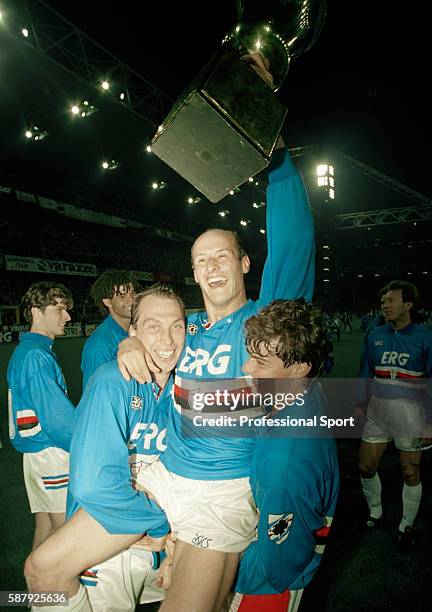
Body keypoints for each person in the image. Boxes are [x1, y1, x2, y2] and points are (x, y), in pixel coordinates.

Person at [118, 51, 315, 612]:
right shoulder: (187, 330)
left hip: (220, 493)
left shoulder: (266, 323)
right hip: (161, 477)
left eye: (222, 255)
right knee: (60, 571)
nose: (211, 268)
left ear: (245, 263)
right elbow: (138, 364)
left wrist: (270, 145)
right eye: (200, 260)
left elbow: (297, 240)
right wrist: (132, 342)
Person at [24, 284, 186, 612]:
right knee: (43, 571)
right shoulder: (112, 381)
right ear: (133, 331)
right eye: (154, 326)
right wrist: (158, 522)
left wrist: (175, 537)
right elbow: (94, 484)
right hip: (113, 544)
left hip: (155, 543)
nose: (168, 340)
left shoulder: (185, 383)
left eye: (177, 327)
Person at [229, 299, 339, 612]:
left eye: (260, 362)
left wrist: (218, 569)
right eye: (250, 355)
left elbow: (275, 566)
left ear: (298, 368)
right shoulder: (301, 392)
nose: (246, 368)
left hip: (268, 586)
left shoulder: (285, 465)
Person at [357, 280, 432, 554]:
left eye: (391, 300)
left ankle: (406, 523)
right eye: (383, 301)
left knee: (410, 470)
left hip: (412, 412)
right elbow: (365, 370)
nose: (385, 305)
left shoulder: (426, 339)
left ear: (408, 304)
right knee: (366, 466)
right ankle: (375, 512)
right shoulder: (375, 334)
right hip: (378, 408)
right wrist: (359, 402)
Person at [7, 281, 76, 549]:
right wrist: (88, 447)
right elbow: (58, 420)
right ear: (36, 311)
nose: (68, 316)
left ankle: (35, 591)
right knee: (66, 541)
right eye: (59, 309)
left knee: (46, 533)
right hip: (51, 453)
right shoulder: (36, 355)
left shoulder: (27, 351)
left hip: (37, 456)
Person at [81, 269, 141, 390]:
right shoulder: (100, 345)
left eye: (133, 293)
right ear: (107, 302)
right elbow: (94, 393)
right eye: (122, 296)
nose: (132, 300)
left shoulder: (137, 331)